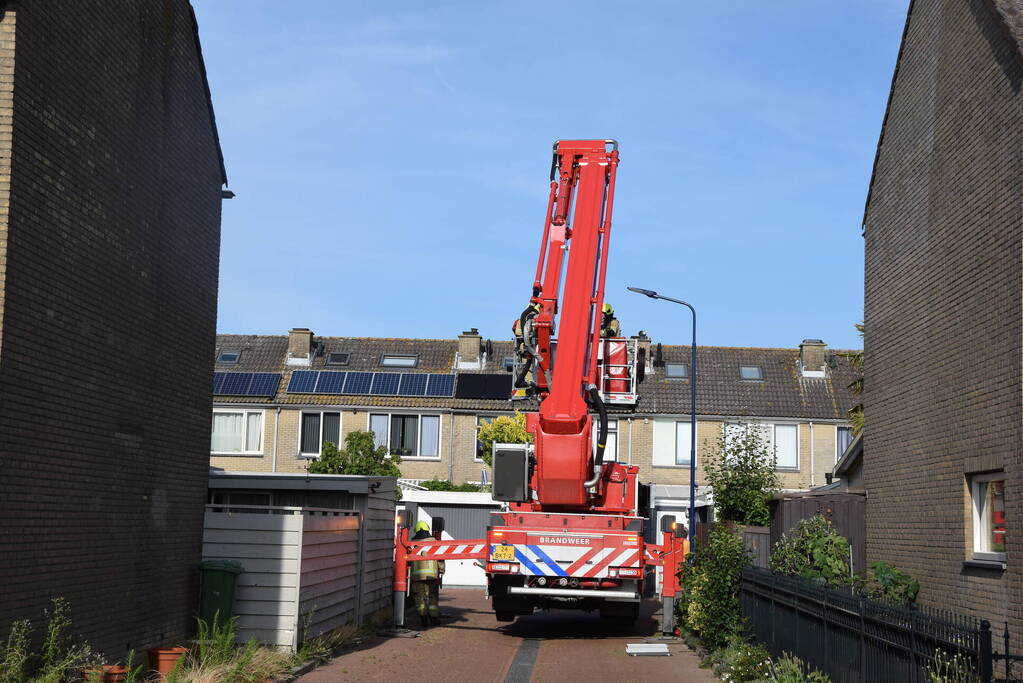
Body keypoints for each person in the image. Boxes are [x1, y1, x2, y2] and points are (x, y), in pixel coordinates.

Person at [409, 521, 444, 628]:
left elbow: (408, 560)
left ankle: (423, 619)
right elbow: (440, 558)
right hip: (432, 576)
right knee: (433, 597)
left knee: (420, 597)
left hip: (417, 577)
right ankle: (434, 618)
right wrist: (441, 571)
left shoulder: (411, 543)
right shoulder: (434, 542)